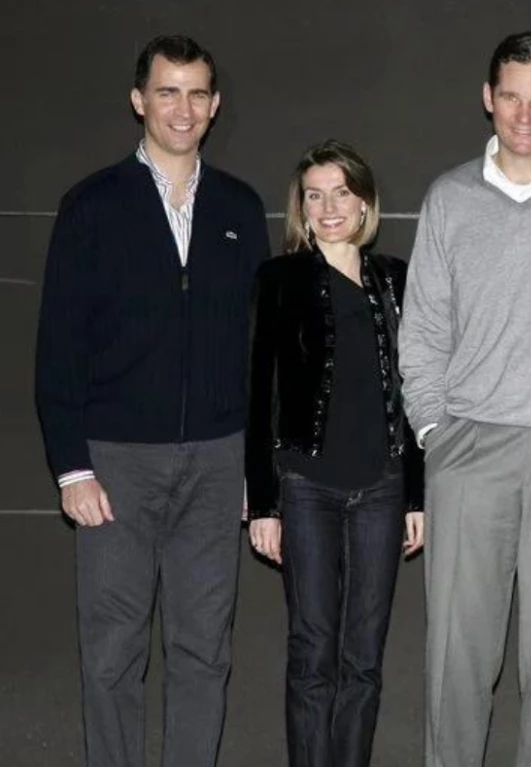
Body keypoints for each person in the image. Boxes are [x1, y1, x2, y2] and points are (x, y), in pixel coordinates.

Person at [34, 35, 270, 767]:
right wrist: (72, 468)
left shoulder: (239, 206)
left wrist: (255, 470)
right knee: (113, 652)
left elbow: (257, 350)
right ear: (139, 100)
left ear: (215, 105)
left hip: (218, 461)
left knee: (204, 649)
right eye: (168, 91)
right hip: (116, 464)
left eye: (197, 93)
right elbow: (58, 347)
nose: (183, 108)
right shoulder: (91, 205)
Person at [399, 30, 531, 767]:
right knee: (456, 656)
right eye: (511, 96)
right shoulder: (449, 198)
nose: (524, 114)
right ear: (488, 98)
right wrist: (434, 433)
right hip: (468, 448)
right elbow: (423, 329)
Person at [245, 140, 424, 767]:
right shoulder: (279, 279)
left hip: (382, 487)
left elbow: (414, 391)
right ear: (301, 206)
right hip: (306, 487)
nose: (328, 208)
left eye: (341, 193)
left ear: (365, 202)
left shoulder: (397, 279)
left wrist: (415, 495)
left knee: (364, 658)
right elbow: (259, 393)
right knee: (312, 651)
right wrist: (263, 504)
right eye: (314, 196)